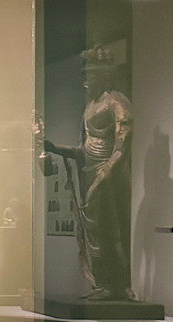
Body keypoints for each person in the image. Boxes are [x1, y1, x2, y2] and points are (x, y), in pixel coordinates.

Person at [42, 46, 134, 300]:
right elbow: (83, 149)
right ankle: (101, 283)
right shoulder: (91, 106)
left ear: (104, 75)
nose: (85, 81)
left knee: (110, 230)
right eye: (84, 75)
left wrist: (105, 174)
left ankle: (116, 286)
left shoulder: (117, 102)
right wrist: (55, 148)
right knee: (92, 232)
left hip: (109, 173)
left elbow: (121, 147)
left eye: (90, 75)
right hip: (90, 170)